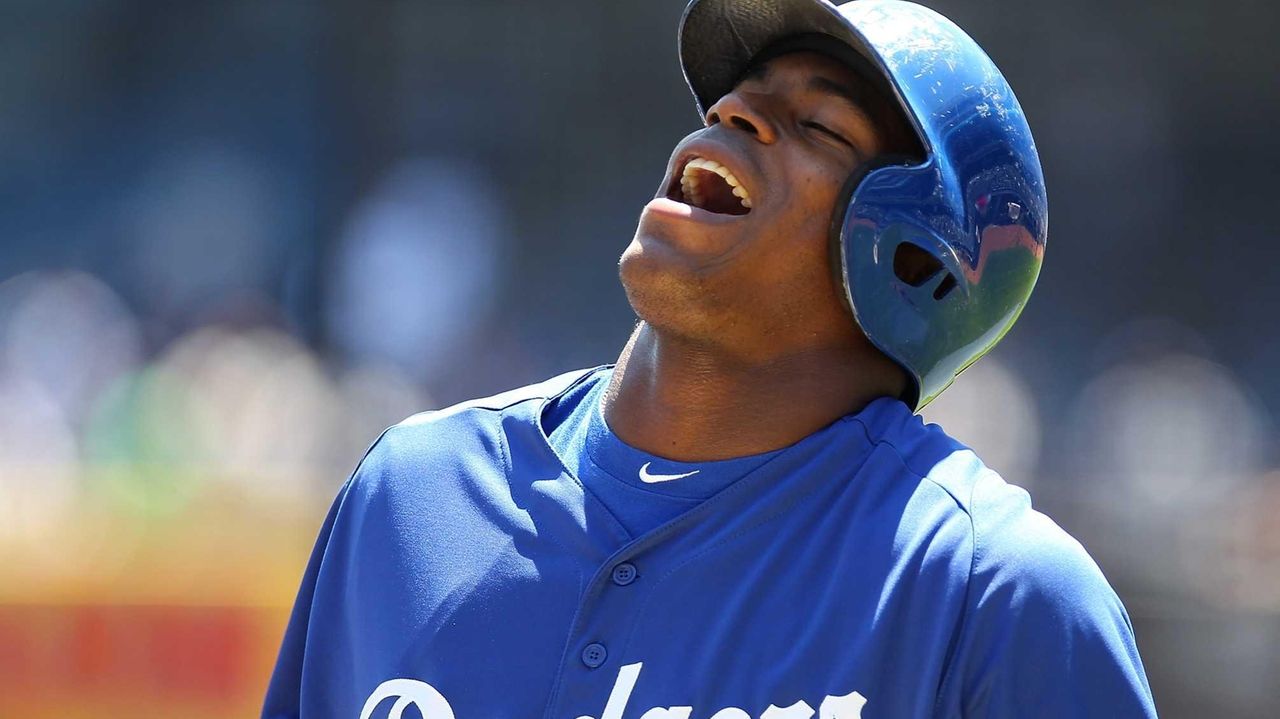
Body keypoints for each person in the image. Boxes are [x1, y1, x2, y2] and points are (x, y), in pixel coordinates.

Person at [264, 1, 1158, 717]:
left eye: (817, 125)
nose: (735, 111)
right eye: (739, 96)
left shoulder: (985, 596)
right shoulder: (409, 495)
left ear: (915, 266)